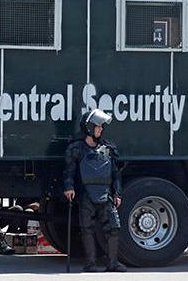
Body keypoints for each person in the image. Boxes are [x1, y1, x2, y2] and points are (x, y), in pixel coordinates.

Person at [63, 109, 127, 273]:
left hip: (106, 194)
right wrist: (69, 187)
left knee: (113, 228)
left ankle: (113, 263)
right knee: (87, 228)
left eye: (101, 126)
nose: (101, 129)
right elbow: (69, 171)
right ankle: (91, 264)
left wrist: (117, 193)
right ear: (89, 127)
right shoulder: (76, 148)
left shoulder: (108, 148)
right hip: (86, 194)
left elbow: (115, 173)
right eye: (97, 126)